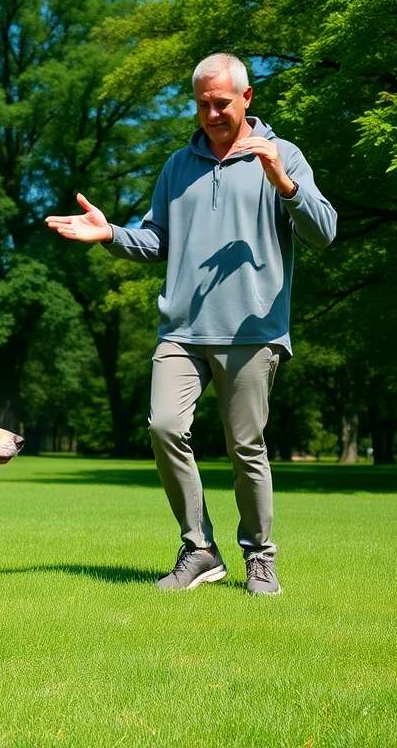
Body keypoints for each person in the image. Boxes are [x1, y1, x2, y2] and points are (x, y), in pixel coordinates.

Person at [44, 53, 336, 595]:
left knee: (245, 446)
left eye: (221, 102)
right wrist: (110, 235)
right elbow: (158, 240)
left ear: (247, 99)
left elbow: (324, 232)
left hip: (253, 331)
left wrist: (282, 181)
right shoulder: (179, 166)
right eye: (202, 103)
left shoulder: (285, 155)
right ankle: (199, 548)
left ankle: (260, 557)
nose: (211, 113)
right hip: (180, 330)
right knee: (163, 426)